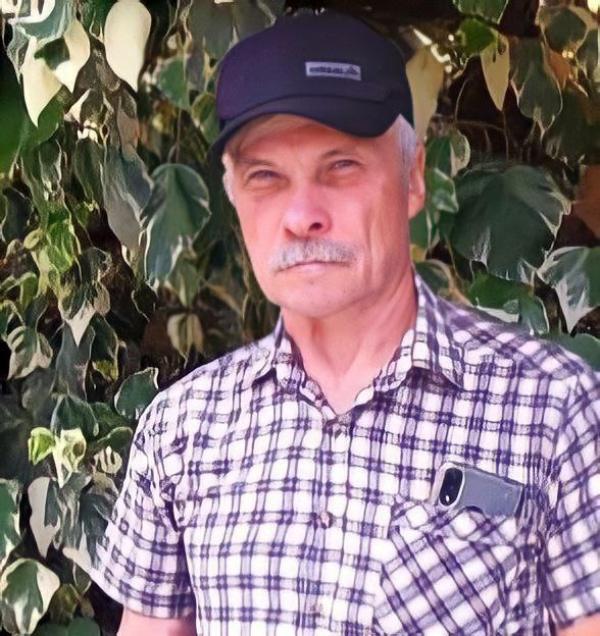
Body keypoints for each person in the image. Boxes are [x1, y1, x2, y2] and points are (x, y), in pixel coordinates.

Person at [89, 10, 600, 636]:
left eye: (341, 166)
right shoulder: (181, 430)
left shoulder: (555, 412)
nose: (302, 214)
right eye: (266, 176)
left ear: (412, 180)